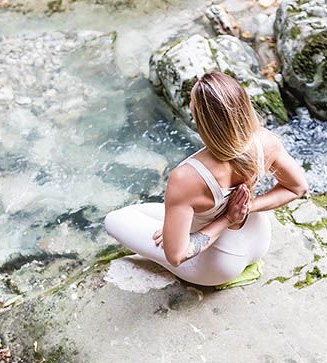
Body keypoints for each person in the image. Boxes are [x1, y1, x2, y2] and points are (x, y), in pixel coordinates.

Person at [104, 71, 307, 286]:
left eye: (192, 103)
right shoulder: (265, 141)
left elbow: (177, 255)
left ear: (201, 119)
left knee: (115, 220)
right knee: (162, 218)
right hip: (258, 239)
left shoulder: (185, 178)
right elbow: (297, 188)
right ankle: (180, 228)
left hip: (220, 265)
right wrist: (248, 206)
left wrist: (228, 218)